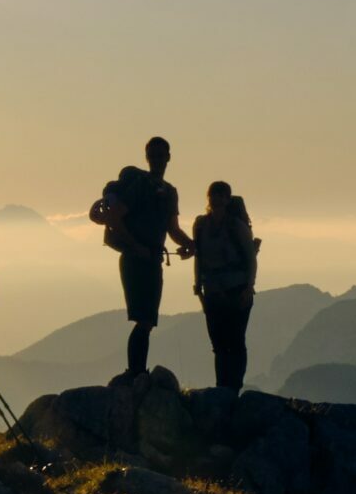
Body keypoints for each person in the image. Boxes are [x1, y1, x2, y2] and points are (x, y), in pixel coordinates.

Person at [90, 136, 195, 384]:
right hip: (137, 259)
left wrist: (192, 245)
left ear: (168, 157)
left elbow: (173, 230)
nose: (157, 160)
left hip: (152, 258)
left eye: (161, 155)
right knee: (144, 318)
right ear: (148, 158)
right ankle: (136, 372)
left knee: (146, 320)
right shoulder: (140, 186)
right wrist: (136, 246)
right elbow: (115, 217)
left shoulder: (169, 192)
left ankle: (137, 371)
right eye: (154, 156)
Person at [191, 181, 260, 390]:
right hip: (213, 291)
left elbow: (250, 259)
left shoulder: (235, 226)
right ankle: (224, 387)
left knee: (235, 340)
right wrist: (197, 286)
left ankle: (233, 387)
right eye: (214, 194)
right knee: (219, 344)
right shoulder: (201, 225)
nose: (217, 199)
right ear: (208, 198)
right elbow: (198, 257)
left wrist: (249, 287)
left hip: (237, 290)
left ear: (228, 199)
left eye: (221, 195)